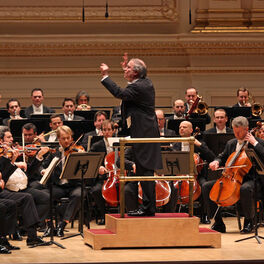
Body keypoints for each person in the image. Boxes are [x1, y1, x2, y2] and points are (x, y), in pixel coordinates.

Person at [100, 53, 162, 217]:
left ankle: (149, 209)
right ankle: (147, 207)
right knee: (143, 169)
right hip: (141, 131)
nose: (125, 69)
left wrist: (106, 76)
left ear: (135, 72)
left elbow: (120, 93)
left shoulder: (139, 86)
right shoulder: (140, 82)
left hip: (145, 133)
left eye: (128, 68)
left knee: (146, 170)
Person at [204, 116, 264, 233]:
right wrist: (216, 161)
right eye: (234, 131)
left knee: (245, 188)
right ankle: (219, 223)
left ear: (247, 129)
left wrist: (254, 143)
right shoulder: (231, 143)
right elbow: (222, 156)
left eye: (239, 132)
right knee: (207, 187)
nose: (236, 135)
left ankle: (249, 221)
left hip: (253, 179)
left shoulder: (258, 142)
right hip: (232, 178)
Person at [0, 127, 50, 230]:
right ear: (1, 140)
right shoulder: (3, 156)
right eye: (8, 137)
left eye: (12, 136)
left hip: (23, 186)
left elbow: (29, 174)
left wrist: (38, 156)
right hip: (9, 189)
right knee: (27, 197)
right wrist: (13, 162)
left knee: (45, 197)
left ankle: (27, 227)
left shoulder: (15, 152)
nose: (12, 139)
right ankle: (29, 228)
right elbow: (4, 175)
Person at [40, 125, 84, 237]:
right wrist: (43, 171)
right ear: (58, 139)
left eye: (68, 138)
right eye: (63, 138)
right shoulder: (54, 152)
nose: (66, 141)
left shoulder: (77, 151)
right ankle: (50, 226)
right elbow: (43, 166)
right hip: (59, 186)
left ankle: (62, 225)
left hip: (74, 185)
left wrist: (82, 157)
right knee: (46, 195)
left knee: (78, 195)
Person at [173, 120, 215, 223]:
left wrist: (199, 145)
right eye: (180, 127)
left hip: (196, 175)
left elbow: (211, 157)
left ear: (191, 130)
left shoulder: (199, 143)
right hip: (179, 174)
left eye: (184, 127)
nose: (181, 129)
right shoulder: (175, 144)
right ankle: (172, 213)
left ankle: (204, 214)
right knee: (170, 186)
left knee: (204, 185)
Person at [89, 120, 116, 225]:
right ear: (101, 132)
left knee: (127, 189)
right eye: (104, 130)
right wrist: (99, 167)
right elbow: (91, 161)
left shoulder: (119, 143)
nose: (107, 132)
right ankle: (103, 214)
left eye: (109, 129)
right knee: (96, 191)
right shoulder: (96, 146)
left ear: (113, 130)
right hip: (103, 178)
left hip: (117, 176)